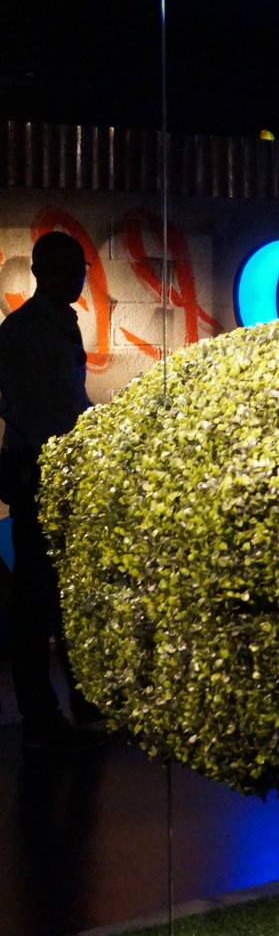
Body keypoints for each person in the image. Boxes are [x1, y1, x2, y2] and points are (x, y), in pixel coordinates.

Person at [0, 231, 102, 749]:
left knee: (56, 595)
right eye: (69, 268)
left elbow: (61, 400)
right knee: (38, 600)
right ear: (42, 272)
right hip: (40, 472)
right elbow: (33, 409)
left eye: (80, 267)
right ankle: (44, 714)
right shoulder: (25, 331)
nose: (78, 277)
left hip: (53, 470)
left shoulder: (55, 323)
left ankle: (71, 705)